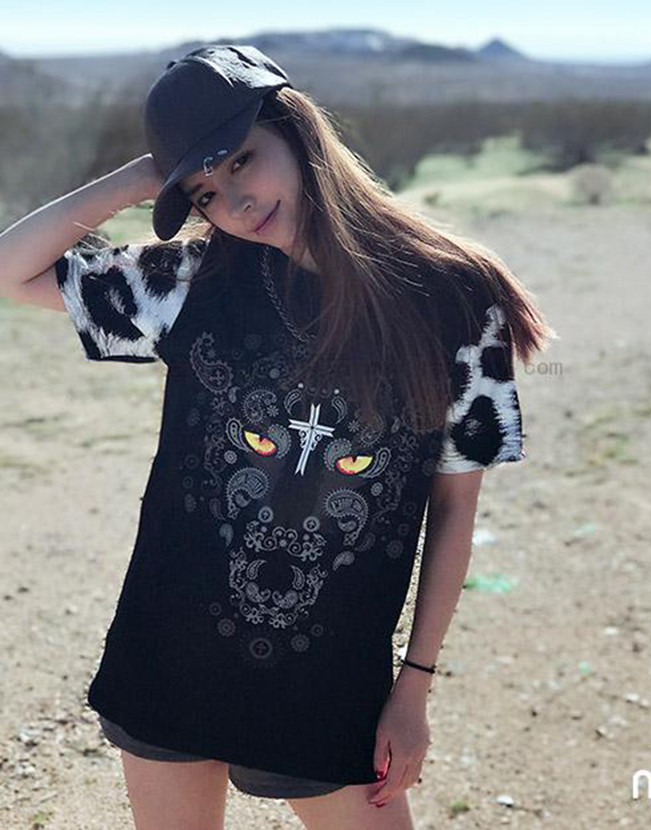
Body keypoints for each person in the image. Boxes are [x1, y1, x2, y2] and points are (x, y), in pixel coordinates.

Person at [0, 44, 556, 830]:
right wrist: (145, 176)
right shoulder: (189, 284)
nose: (233, 199)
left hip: (329, 681)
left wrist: (414, 686)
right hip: (169, 651)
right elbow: (10, 270)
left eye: (241, 161)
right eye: (204, 190)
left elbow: (456, 509)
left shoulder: (455, 298)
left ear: (296, 130)